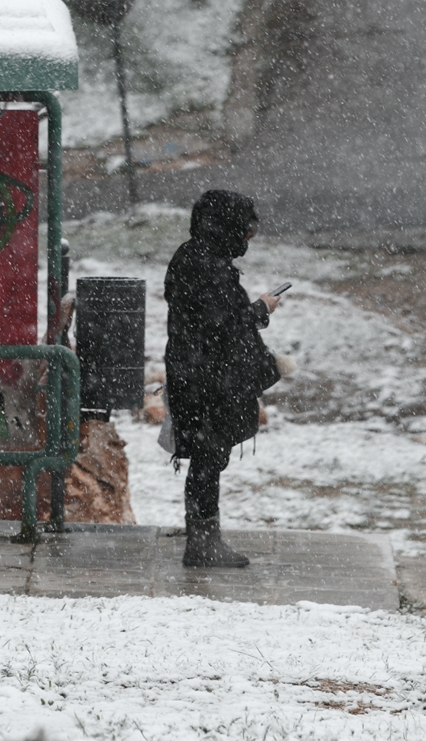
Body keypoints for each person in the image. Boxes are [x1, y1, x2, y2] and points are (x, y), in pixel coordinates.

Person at [164, 189, 283, 567]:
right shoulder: (207, 266)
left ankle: (202, 537)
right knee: (208, 456)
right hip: (206, 379)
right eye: (245, 231)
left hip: (196, 373)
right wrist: (260, 309)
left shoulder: (194, 256)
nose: (247, 240)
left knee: (208, 455)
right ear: (227, 227)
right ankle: (202, 544)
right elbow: (220, 326)